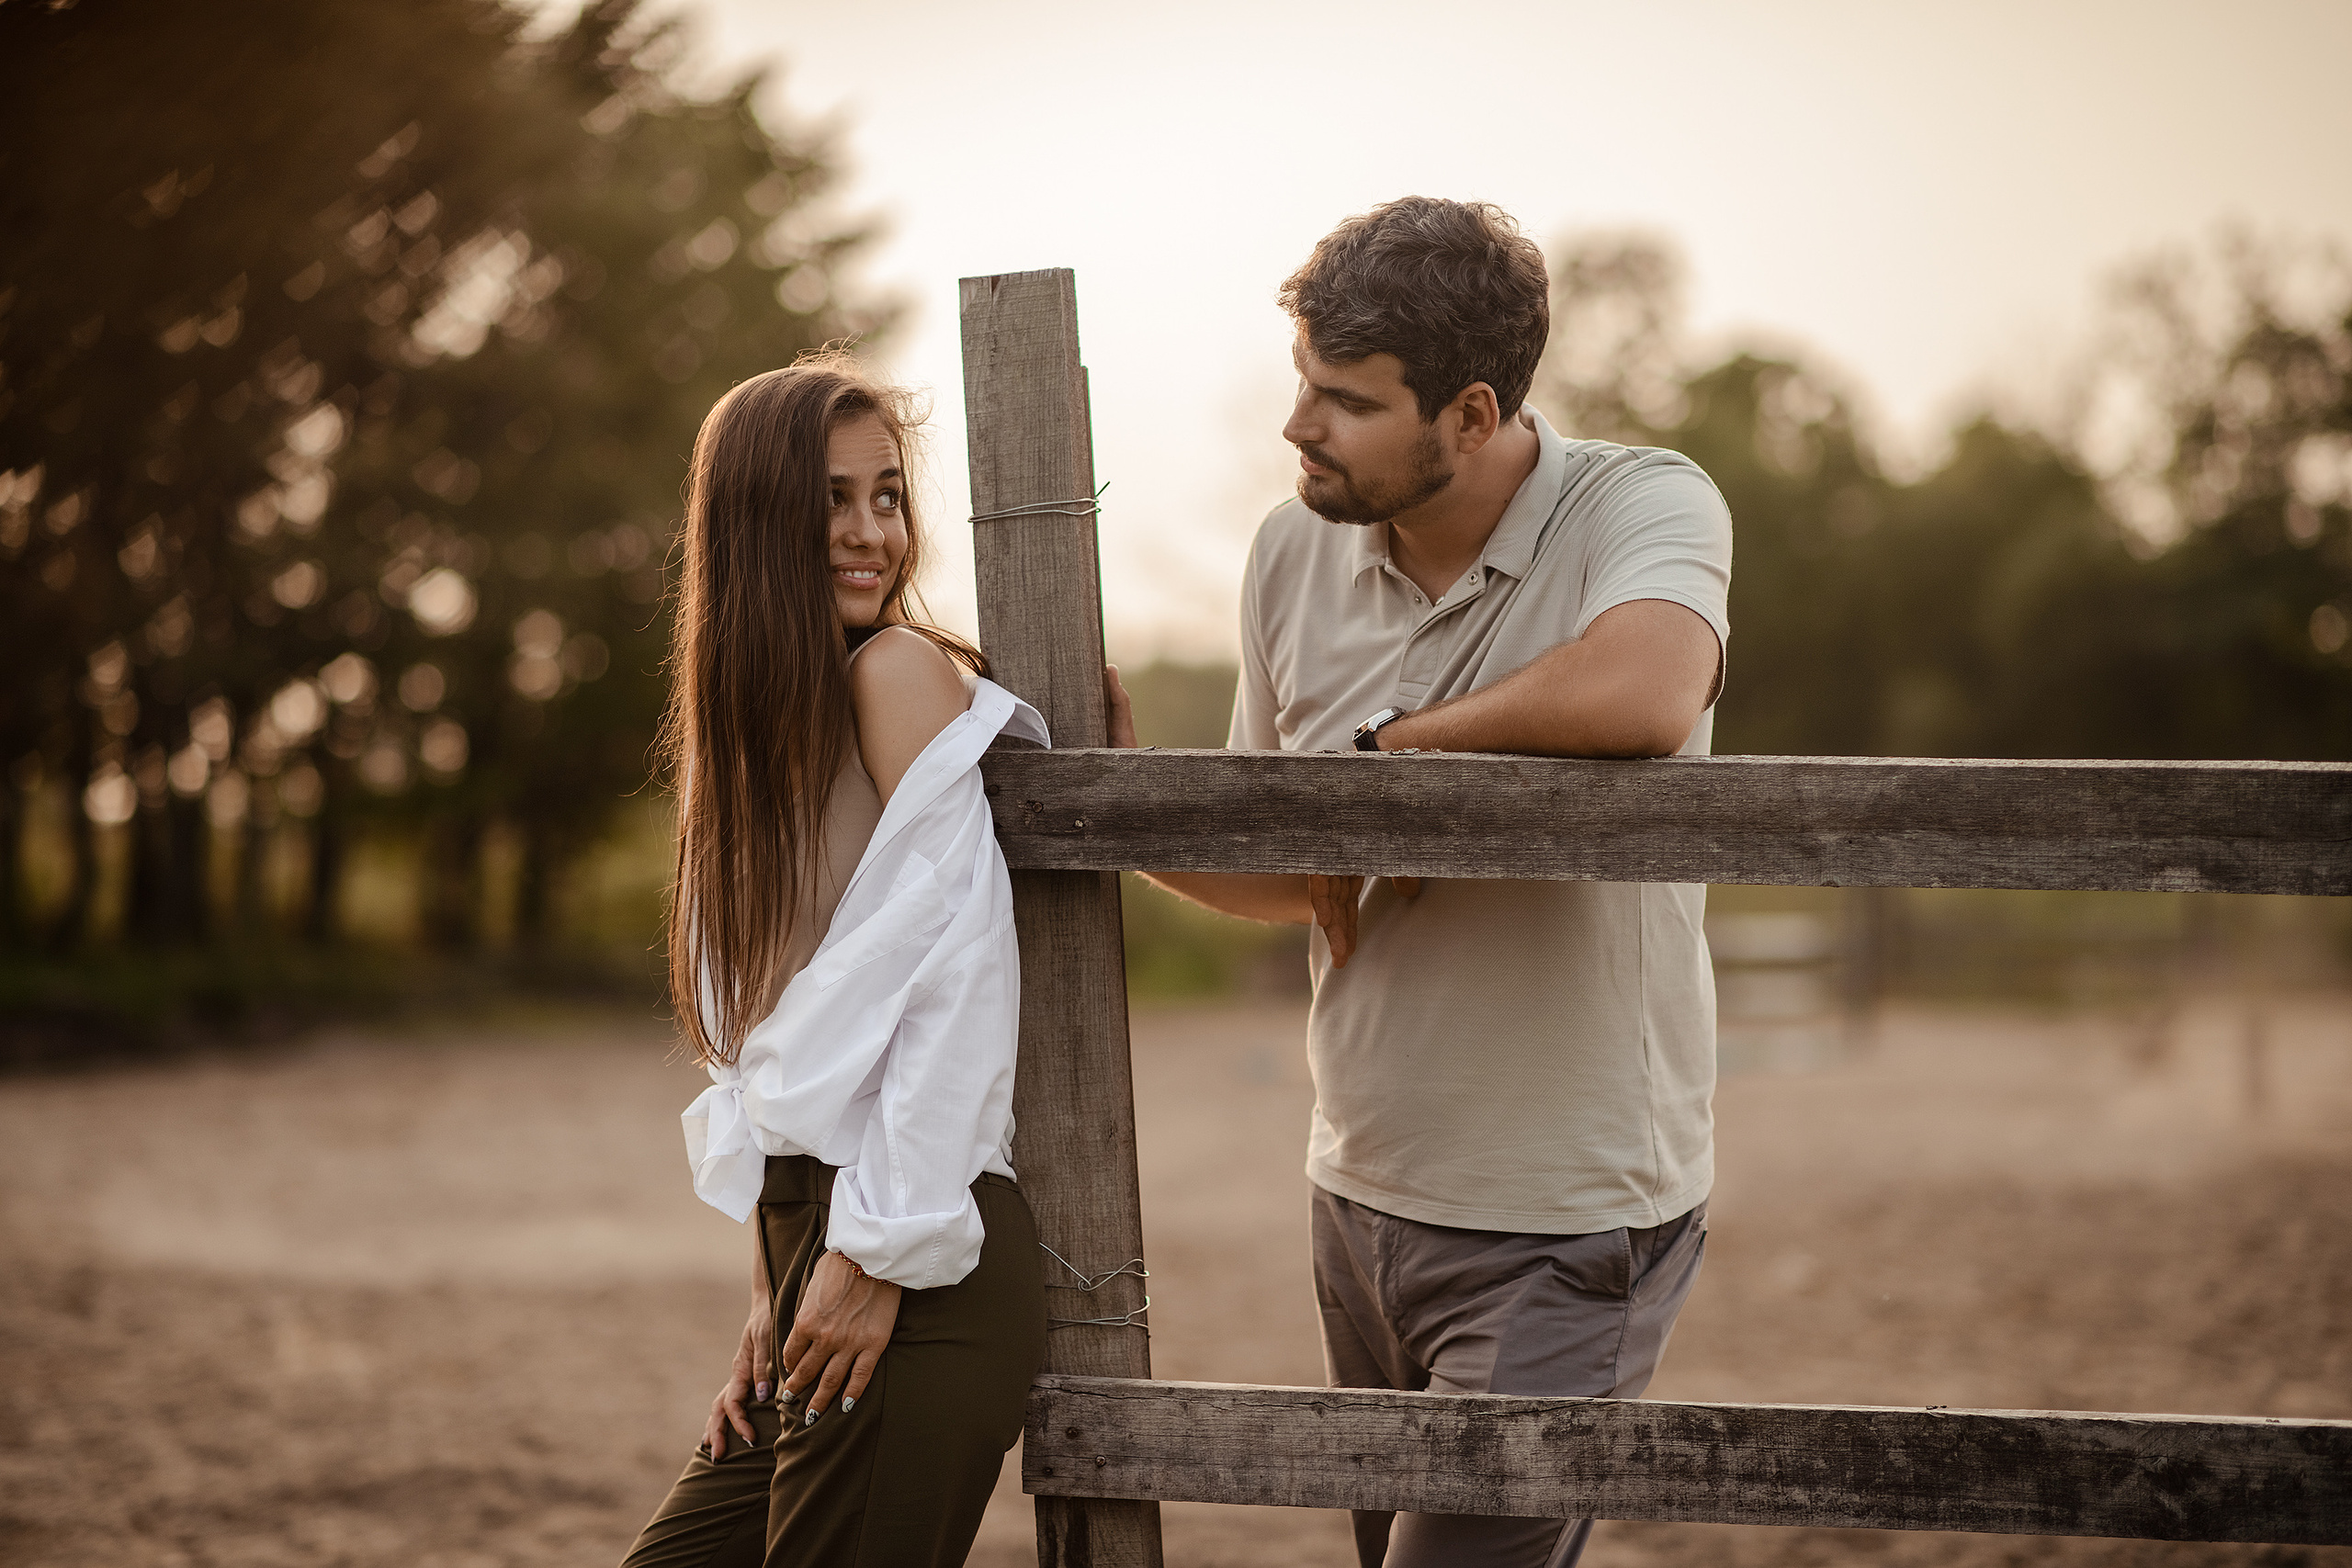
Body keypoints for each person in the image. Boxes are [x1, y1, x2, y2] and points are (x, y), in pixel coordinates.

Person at [1105, 197, 1731, 1568]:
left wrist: (1383, 762)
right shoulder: (1288, 550)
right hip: (1359, 1193)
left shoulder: (1645, 502)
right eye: (1302, 384)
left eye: (1344, 399)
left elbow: (1647, 688)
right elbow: (1296, 874)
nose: (1298, 428)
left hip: (1567, 1214)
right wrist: (1123, 800)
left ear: (1470, 410)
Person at [623, 355, 1048, 1568]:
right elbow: (774, 1052)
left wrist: (872, 1256)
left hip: (920, 1260)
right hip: (817, 1255)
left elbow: (961, 980)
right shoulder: (744, 733)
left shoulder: (896, 675)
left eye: (890, 495)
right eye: (833, 500)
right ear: (754, 523)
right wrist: (773, 1288)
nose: (872, 533)